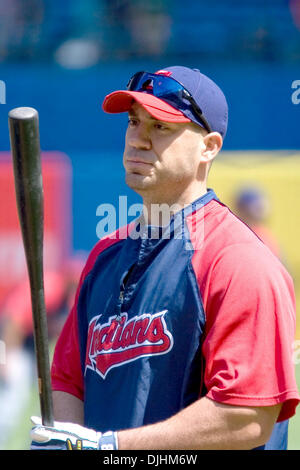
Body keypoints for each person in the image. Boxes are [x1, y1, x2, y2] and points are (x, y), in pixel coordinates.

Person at [31, 66, 300, 450]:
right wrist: (69, 439)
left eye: (161, 127)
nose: (138, 140)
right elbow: (67, 382)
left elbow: (245, 417)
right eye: (134, 122)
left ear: (209, 147)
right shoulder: (104, 257)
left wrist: (113, 447)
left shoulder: (237, 260)